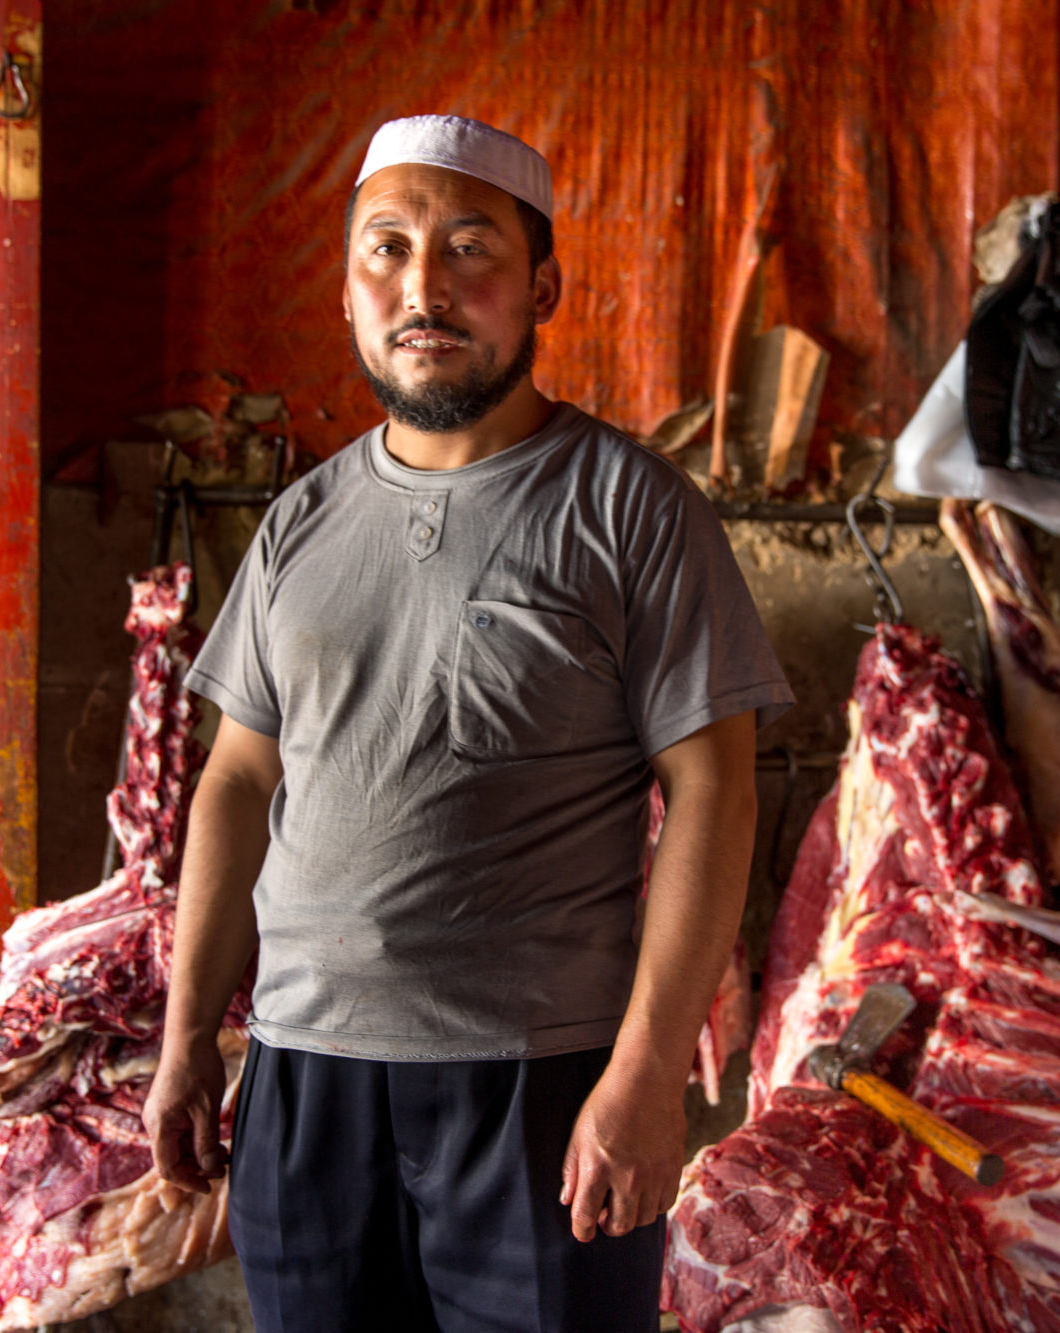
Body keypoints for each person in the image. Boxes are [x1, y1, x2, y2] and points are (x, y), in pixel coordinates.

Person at [142, 114, 793, 1333]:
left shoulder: (631, 510)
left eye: (467, 248)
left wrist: (648, 1075)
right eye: (384, 250)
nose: (422, 287)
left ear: (539, 285)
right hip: (303, 1078)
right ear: (347, 293)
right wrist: (188, 1040)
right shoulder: (299, 524)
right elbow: (236, 780)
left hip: (536, 1085)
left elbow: (713, 790)